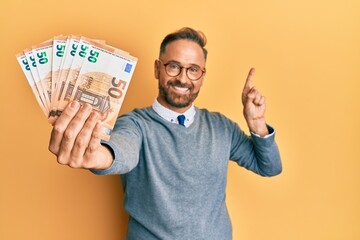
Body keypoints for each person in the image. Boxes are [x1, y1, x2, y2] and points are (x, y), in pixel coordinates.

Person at [48, 27, 282, 240]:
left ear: (202, 76)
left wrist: (257, 123)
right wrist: (98, 156)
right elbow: (121, 151)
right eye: (173, 66)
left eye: (193, 70)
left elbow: (269, 167)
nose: (183, 78)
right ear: (157, 68)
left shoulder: (222, 127)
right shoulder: (136, 124)